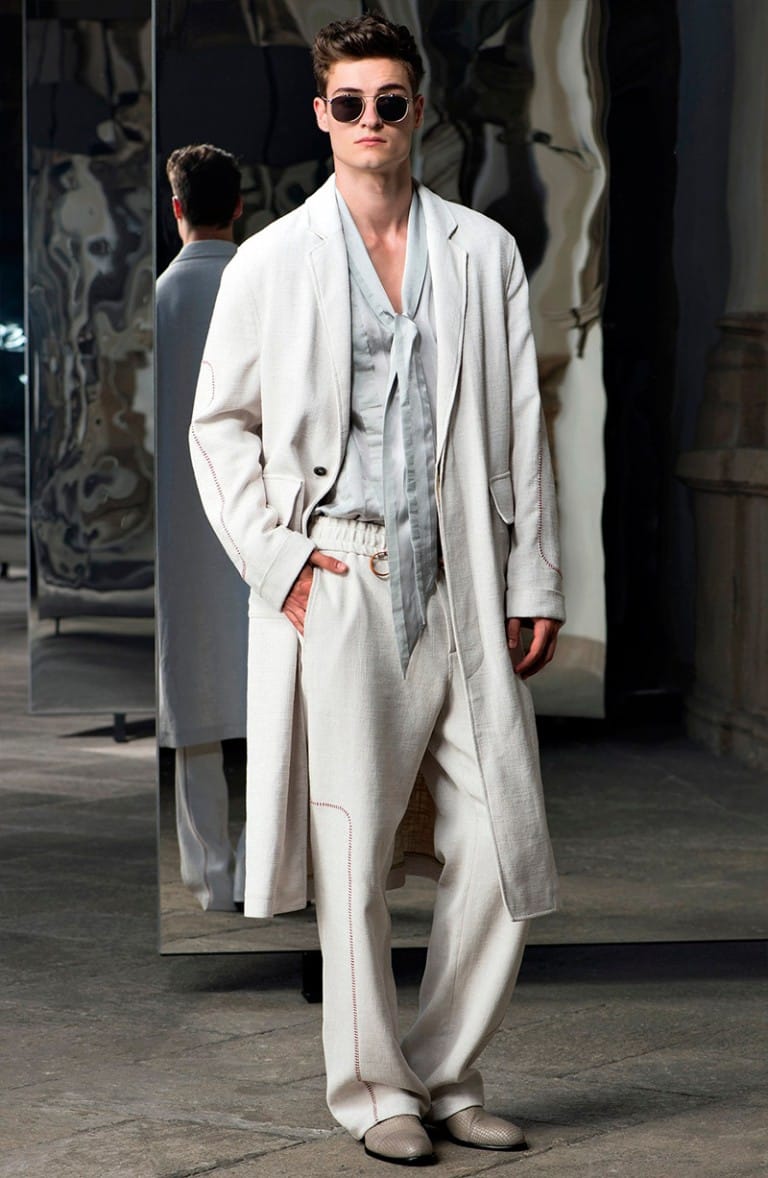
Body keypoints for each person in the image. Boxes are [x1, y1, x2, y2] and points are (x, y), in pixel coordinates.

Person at [190, 13, 564, 1165]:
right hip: (342, 574)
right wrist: (280, 562)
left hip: (464, 574)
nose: (369, 120)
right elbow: (218, 425)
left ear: (417, 111)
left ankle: (446, 1072)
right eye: (348, 103)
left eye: (389, 101)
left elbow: (523, 425)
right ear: (321, 115)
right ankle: (373, 1091)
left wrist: (535, 572)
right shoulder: (271, 263)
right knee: (350, 851)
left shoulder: (482, 252)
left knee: (500, 840)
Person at [156, 144, 248, 911]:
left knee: (195, 708)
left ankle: (211, 877)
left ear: (176, 207)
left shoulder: (158, 299)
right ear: (240, 206)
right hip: (258, 520)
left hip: (180, 531)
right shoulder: (267, 289)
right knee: (277, 707)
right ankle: (267, 869)